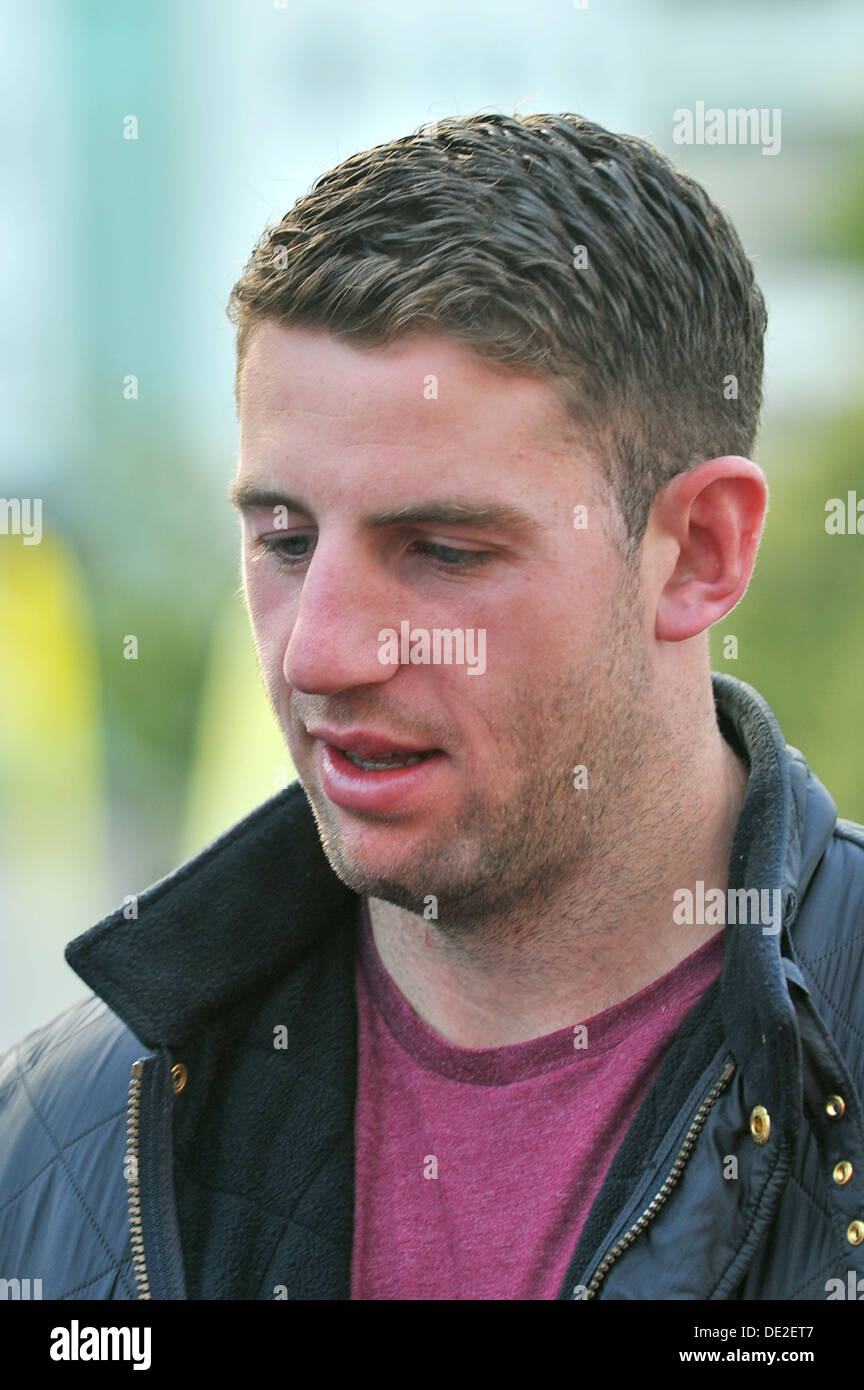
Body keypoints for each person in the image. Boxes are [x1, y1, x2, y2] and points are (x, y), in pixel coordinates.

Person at [1, 112, 863, 1302]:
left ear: (700, 551)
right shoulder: (57, 1142)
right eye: (285, 538)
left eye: (444, 549)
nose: (321, 651)